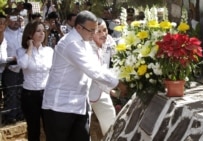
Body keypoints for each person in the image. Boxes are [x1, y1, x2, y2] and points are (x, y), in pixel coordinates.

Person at [42, 10, 127, 141]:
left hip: (78, 106)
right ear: (79, 27)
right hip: (59, 107)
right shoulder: (71, 43)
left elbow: (98, 67)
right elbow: (93, 70)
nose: (94, 34)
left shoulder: (85, 43)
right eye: (91, 30)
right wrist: (118, 84)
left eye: (95, 30)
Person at [16, 21, 54, 141]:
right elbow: (23, 64)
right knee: (33, 128)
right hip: (29, 95)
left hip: (47, 94)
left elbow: (54, 71)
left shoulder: (49, 51)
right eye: (38, 31)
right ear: (30, 33)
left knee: (50, 127)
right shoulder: (21, 51)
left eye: (43, 31)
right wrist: (30, 47)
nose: (42, 33)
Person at [89, 18, 117, 135]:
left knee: (111, 124)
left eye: (105, 30)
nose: (103, 34)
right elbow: (95, 73)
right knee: (83, 129)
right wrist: (112, 88)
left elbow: (116, 63)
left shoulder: (109, 42)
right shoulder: (86, 47)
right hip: (84, 94)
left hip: (102, 92)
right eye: (98, 31)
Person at [2, 12, 24, 124]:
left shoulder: (22, 33)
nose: (16, 22)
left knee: (21, 91)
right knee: (10, 92)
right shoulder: (4, 34)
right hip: (9, 67)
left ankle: (20, 114)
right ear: (8, 20)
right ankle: (10, 116)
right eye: (13, 19)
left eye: (18, 19)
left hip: (22, 67)